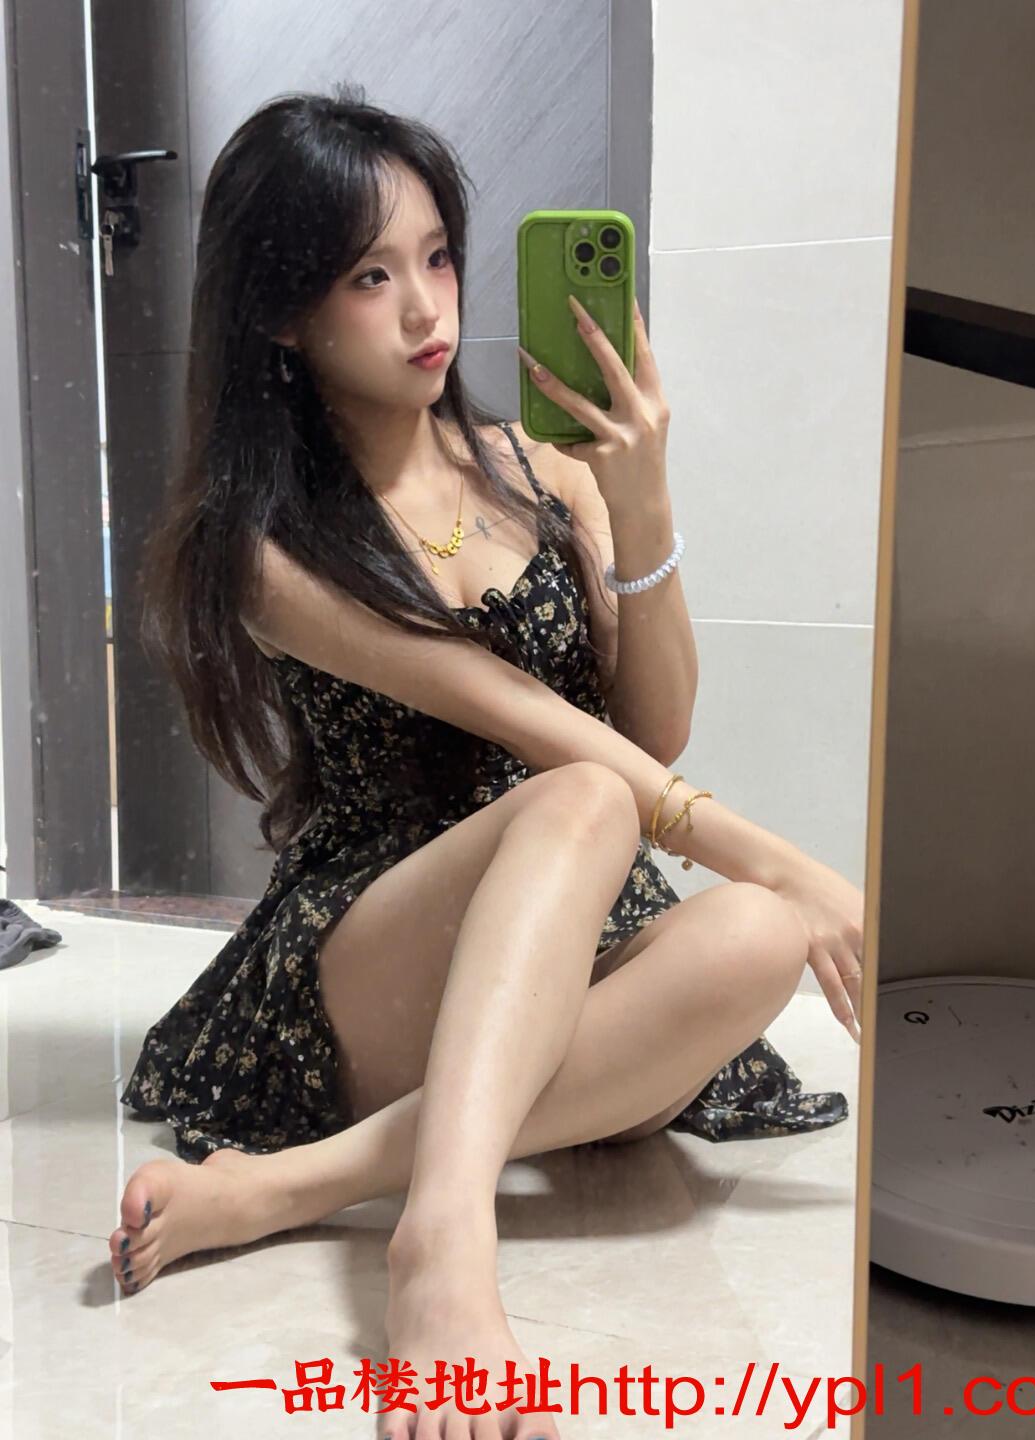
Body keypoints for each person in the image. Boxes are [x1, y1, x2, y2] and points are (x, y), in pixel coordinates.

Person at [115, 84, 864, 1439]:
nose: (427, 309)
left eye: (439, 257)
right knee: (586, 801)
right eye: (370, 276)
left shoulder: (539, 475)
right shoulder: (269, 547)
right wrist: (778, 851)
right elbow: (541, 732)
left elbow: (653, 735)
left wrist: (641, 506)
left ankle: (292, 1187)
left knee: (754, 936)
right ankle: (441, 1239)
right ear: (281, 313)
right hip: (376, 938)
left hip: (571, 915)